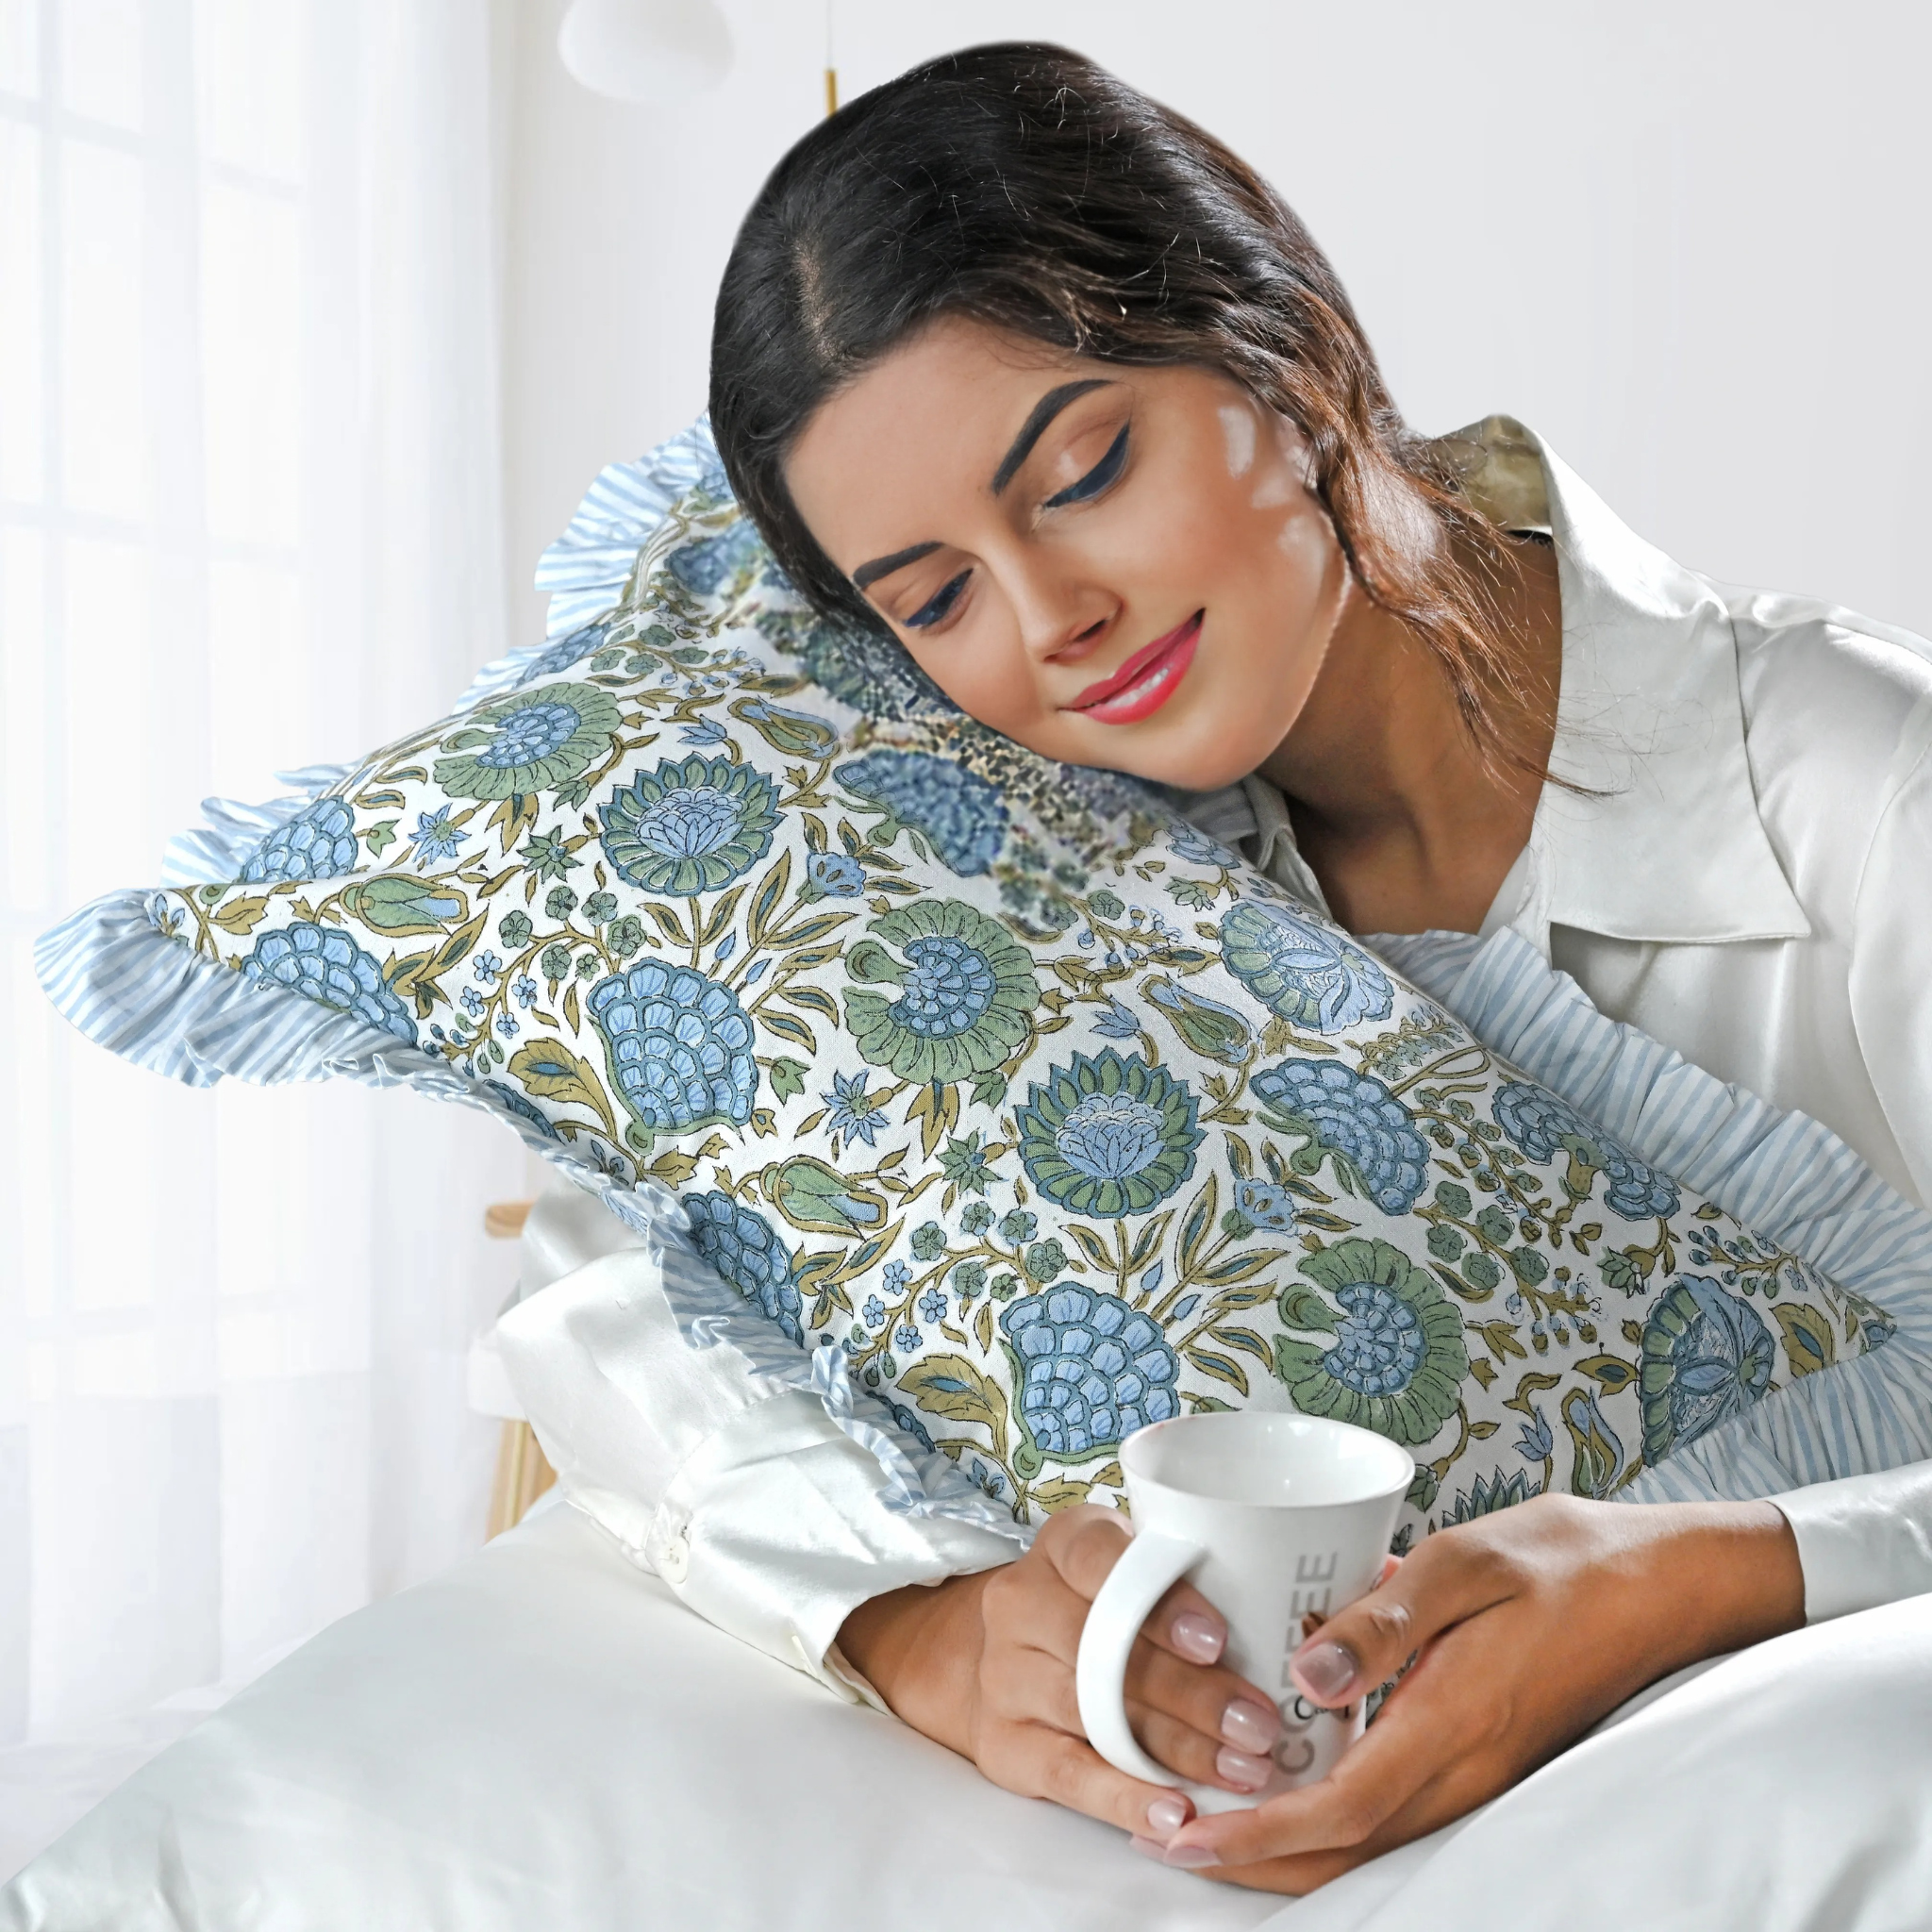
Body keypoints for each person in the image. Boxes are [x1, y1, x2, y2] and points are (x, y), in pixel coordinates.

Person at [505, 42, 1932, 1897]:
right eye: (931, 596)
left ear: (1300, 352)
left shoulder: (1853, 785)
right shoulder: (1022, 843)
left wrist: (1724, 1562)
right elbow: (621, 1267)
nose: (1048, 624)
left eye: (1084, 468)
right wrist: (912, 1621)